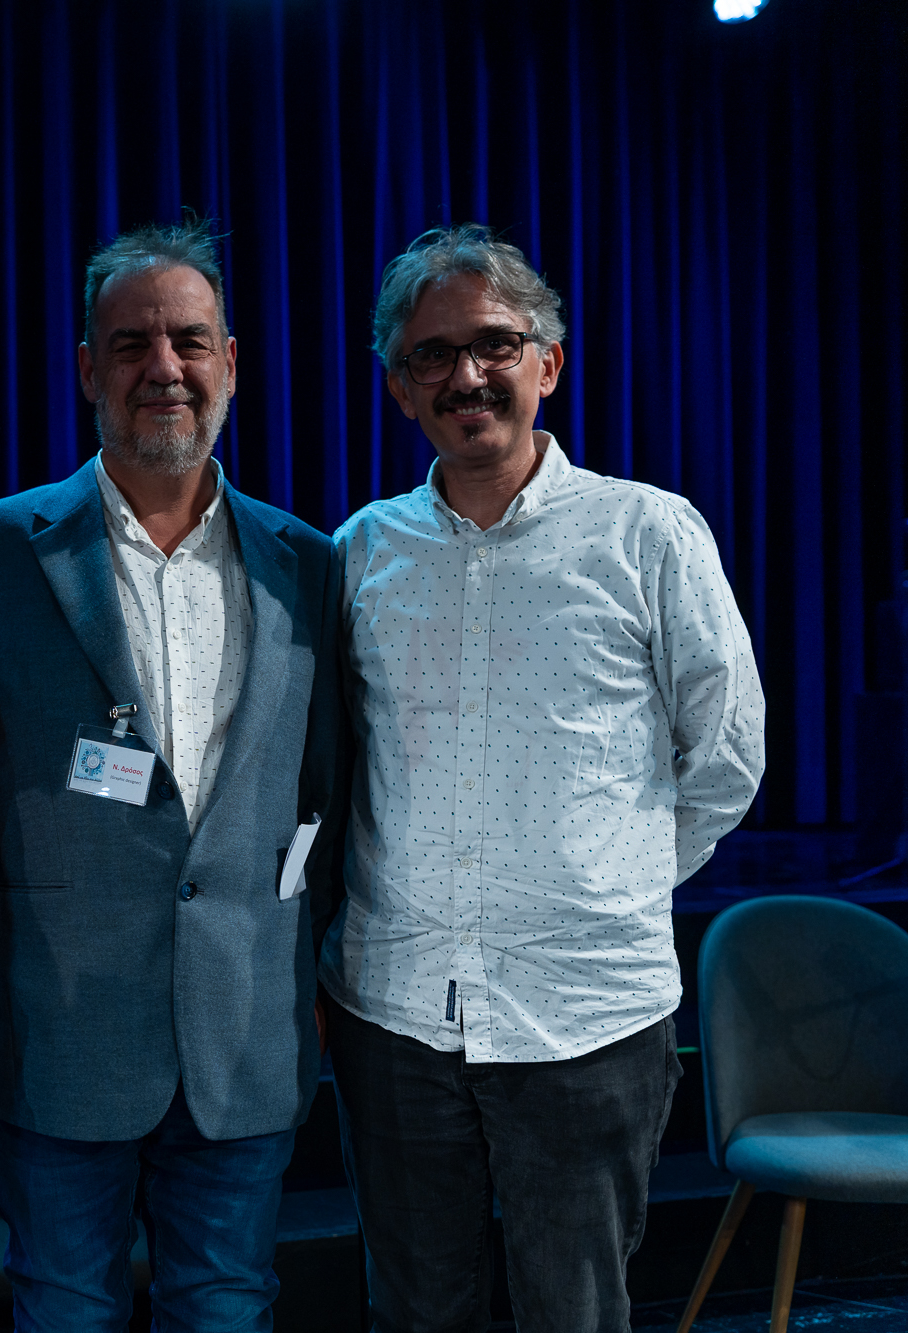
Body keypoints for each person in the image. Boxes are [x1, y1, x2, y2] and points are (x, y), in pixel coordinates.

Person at [321, 223, 768, 1332]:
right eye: (432, 354)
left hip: (585, 1015)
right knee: (415, 1313)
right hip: (394, 1011)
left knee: (575, 1313)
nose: (466, 375)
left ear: (548, 364)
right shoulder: (360, 552)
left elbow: (726, 753)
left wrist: (611, 881)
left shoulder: (646, 533)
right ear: (398, 388)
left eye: (494, 344)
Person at [0, 218, 346, 1331]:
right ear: (86, 369)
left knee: (228, 1312)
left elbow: (331, 792)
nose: (164, 367)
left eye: (189, 341)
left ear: (230, 363)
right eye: (131, 343)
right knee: (62, 1313)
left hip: (245, 1035)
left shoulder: (308, 562)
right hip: (58, 1035)